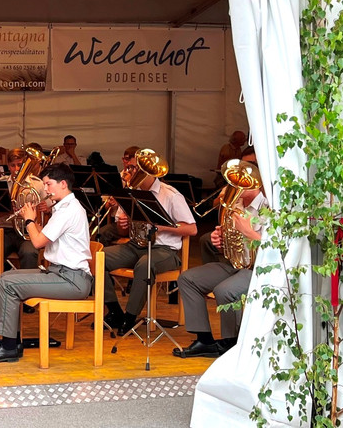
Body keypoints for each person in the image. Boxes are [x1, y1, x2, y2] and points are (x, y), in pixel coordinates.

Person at [0, 164, 92, 362]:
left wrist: (29, 220)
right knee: (6, 277)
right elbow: (47, 236)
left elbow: (38, 243)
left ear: (63, 184)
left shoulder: (69, 210)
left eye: (49, 184)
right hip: (62, 274)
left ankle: (8, 347)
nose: (46, 189)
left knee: (8, 284)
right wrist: (35, 223)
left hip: (72, 280)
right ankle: (12, 343)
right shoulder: (64, 207)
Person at [175, 150, 265, 358]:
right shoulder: (235, 205)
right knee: (188, 279)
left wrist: (248, 232)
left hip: (257, 268)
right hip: (235, 264)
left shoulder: (268, 207)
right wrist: (221, 241)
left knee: (225, 290)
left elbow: (275, 249)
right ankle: (204, 340)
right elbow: (230, 246)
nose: (235, 184)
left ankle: (231, 343)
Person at [102, 151, 198, 334]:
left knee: (144, 265)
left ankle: (130, 317)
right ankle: (114, 311)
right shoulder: (132, 192)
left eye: (136, 168)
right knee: (98, 258)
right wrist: (123, 224)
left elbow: (192, 229)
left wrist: (162, 226)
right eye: (132, 168)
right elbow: (122, 232)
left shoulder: (170, 195)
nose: (131, 172)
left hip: (164, 250)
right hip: (136, 245)